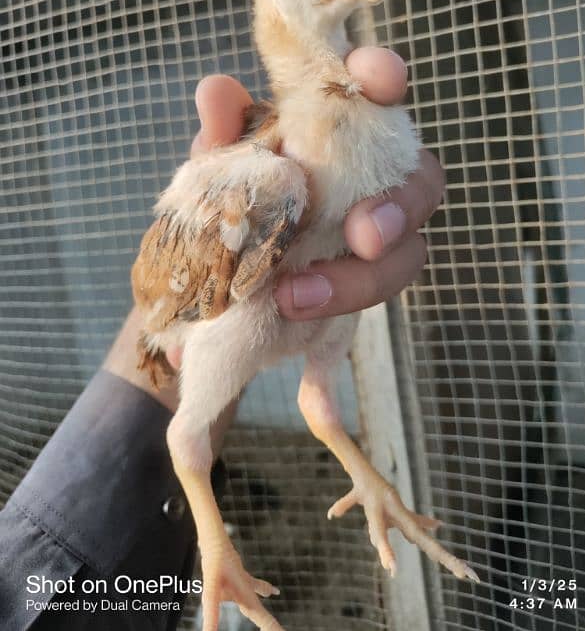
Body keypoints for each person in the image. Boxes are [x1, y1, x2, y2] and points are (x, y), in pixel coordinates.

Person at [0, 47, 444, 631]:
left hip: (253, 304)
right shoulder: (270, 175)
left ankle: (358, 482)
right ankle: (217, 547)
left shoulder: (305, 145)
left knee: (321, 380)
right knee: (199, 433)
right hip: (215, 309)